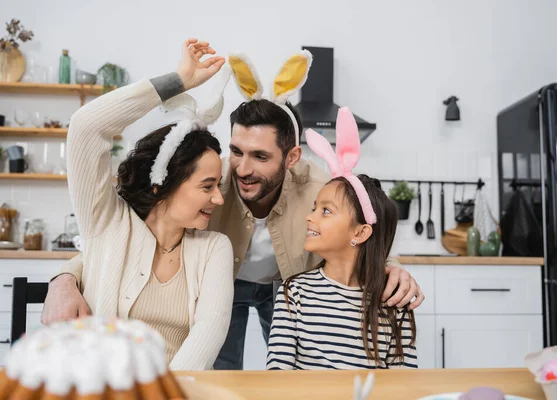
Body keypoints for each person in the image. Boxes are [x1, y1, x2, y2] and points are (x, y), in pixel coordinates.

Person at [42, 50, 425, 371]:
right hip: (228, 283)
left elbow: (358, 220)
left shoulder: (317, 188)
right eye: (237, 152)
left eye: (260, 156)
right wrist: (64, 277)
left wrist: (388, 264)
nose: (240, 170)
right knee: (223, 372)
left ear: (291, 158)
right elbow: (112, 239)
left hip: (283, 284)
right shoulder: (212, 178)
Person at [42, 38, 235, 370]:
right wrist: (177, 82)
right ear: (164, 182)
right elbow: (87, 127)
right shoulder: (106, 224)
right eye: (208, 186)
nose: (218, 197)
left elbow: (209, 332)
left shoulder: (215, 248)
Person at [267, 108, 417, 370]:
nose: (309, 218)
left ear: (360, 232)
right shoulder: (294, 293)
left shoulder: (394, 302)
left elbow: (403, 384)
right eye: (314, 208)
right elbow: (277, 376)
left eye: (325, 210)